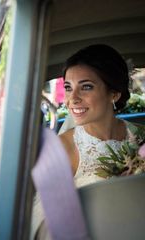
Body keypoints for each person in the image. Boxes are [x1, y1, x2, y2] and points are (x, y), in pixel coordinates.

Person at [32, 44, 145, 239]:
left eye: (86, 87)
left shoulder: (142, 136)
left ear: (114, 93)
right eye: (68, 88)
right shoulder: (62, 149)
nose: (72, 99)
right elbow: (47, 224)